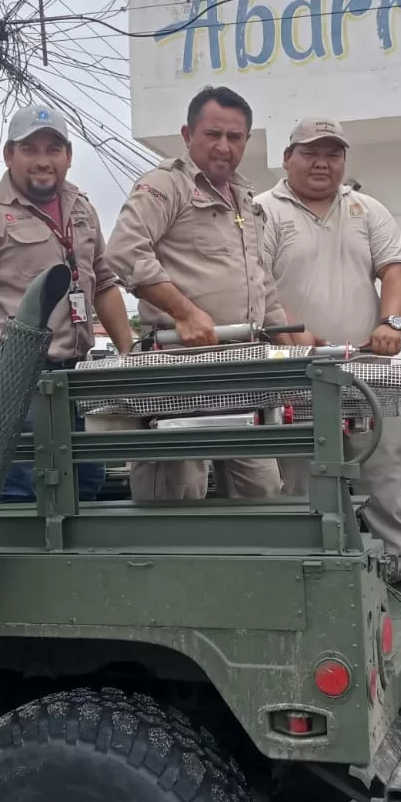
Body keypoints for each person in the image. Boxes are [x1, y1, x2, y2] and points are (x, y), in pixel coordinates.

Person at [255, 116, 401, 594]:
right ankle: (313, 568)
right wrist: (287, 333)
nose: (322, 162)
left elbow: (396, 270)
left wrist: (393, 323)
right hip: (294, 372)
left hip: (367, 369)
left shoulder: (368, 209)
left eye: (333, 153)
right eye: (310, 152)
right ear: (287, 159)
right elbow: (254, 282)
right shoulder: (263, 211)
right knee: (303, 471)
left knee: (386, 459)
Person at [0, 103, 135, 502]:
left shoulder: (80, 206)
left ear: (68, 156)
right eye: (30, 150)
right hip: (13, 369)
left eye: (53, 149)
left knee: (86, 482)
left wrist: (130, 354)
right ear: (9, 155)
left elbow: (104, 283)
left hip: (77, 372)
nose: (43, 161)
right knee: (21, 488)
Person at [108, 85, 292, 501]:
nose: (224, 146)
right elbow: (123, 250)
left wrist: (293, 347)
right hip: (178, 368)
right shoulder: (165, 185)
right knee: (178, 496)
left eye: (235, 137)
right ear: (187, 135)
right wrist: (185, 312)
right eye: (212, 134)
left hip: (243, 369)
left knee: (263, 494)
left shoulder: (247, 200)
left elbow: (261, 284)